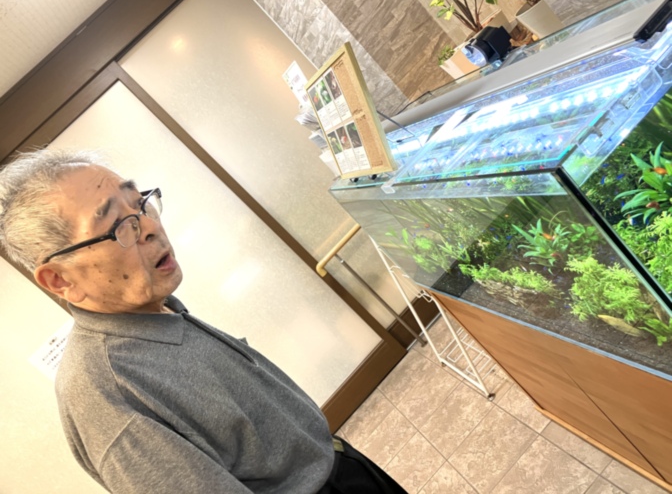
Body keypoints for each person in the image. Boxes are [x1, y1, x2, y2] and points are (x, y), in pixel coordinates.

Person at [0, 149, 406, 494]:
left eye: (140, 204)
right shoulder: (105, 394)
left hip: (340, 467)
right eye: (118, 227)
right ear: (61, 280)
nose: (150, 227)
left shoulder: (155, 309)